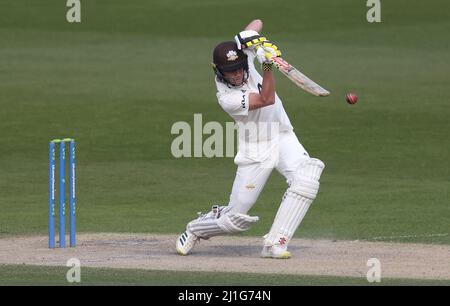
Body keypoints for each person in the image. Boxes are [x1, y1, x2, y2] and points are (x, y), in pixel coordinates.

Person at [176, 19, 325, 259]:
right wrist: (267, 65)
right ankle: (195, 228)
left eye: (239, 68)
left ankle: (275, 243)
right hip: (256, 148)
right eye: (229, 72)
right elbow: (267, 98)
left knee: (307, 179)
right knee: (235, 219)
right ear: (219, 72)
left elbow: (256, 23)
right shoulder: (227, 98)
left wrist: (256, 42)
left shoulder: (241, 56)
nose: (236, 74)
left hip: (282, 134)